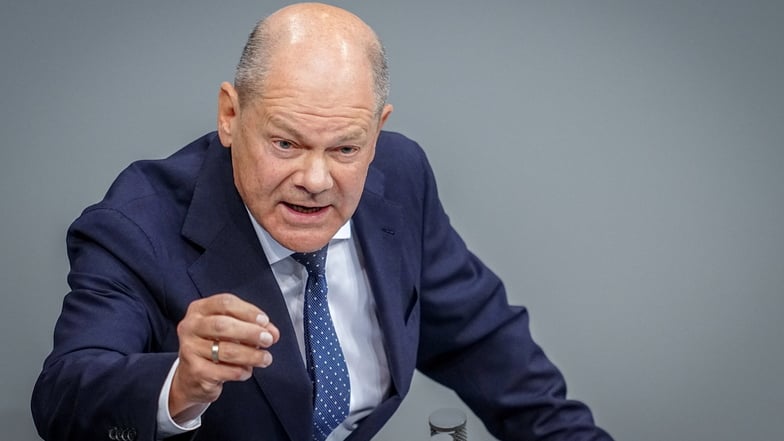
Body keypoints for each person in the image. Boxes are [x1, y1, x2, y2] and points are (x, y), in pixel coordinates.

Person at [31, 3, 613, 441]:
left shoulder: (401, 176)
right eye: (286, 143)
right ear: (231, 115)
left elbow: (482, 340)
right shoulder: (138, 224)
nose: (315, 179)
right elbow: (63, 396)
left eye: (344, 149)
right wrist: (178, 385)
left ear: (377, 131)